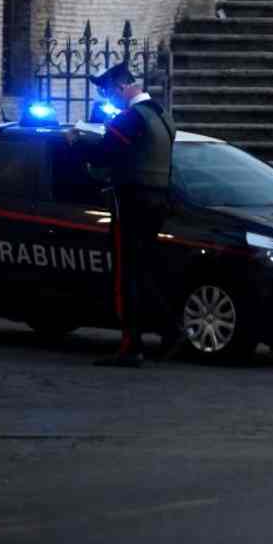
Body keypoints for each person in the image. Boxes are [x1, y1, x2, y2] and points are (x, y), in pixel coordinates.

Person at [65, 61, 177, 367]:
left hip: (132, 202)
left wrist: (76, 143)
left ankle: (131, 345)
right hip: (157, 201)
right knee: (144, 270)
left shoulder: (131, 119)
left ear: (119, 88)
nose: (108, 101)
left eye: (107, 94)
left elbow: (103, 153)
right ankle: (170, 330)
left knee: (125, 275)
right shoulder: (163, 116)